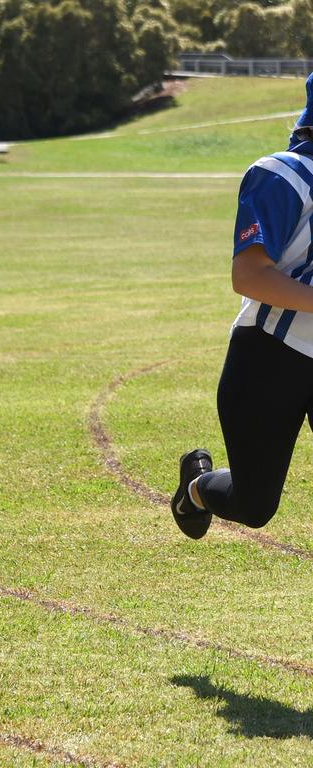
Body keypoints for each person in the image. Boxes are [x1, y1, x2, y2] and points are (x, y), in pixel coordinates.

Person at [171, 72, 313, 541]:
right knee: (254, 505)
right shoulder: (284, 175)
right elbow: (249, 276)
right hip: (272, 355)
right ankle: (195, 488)